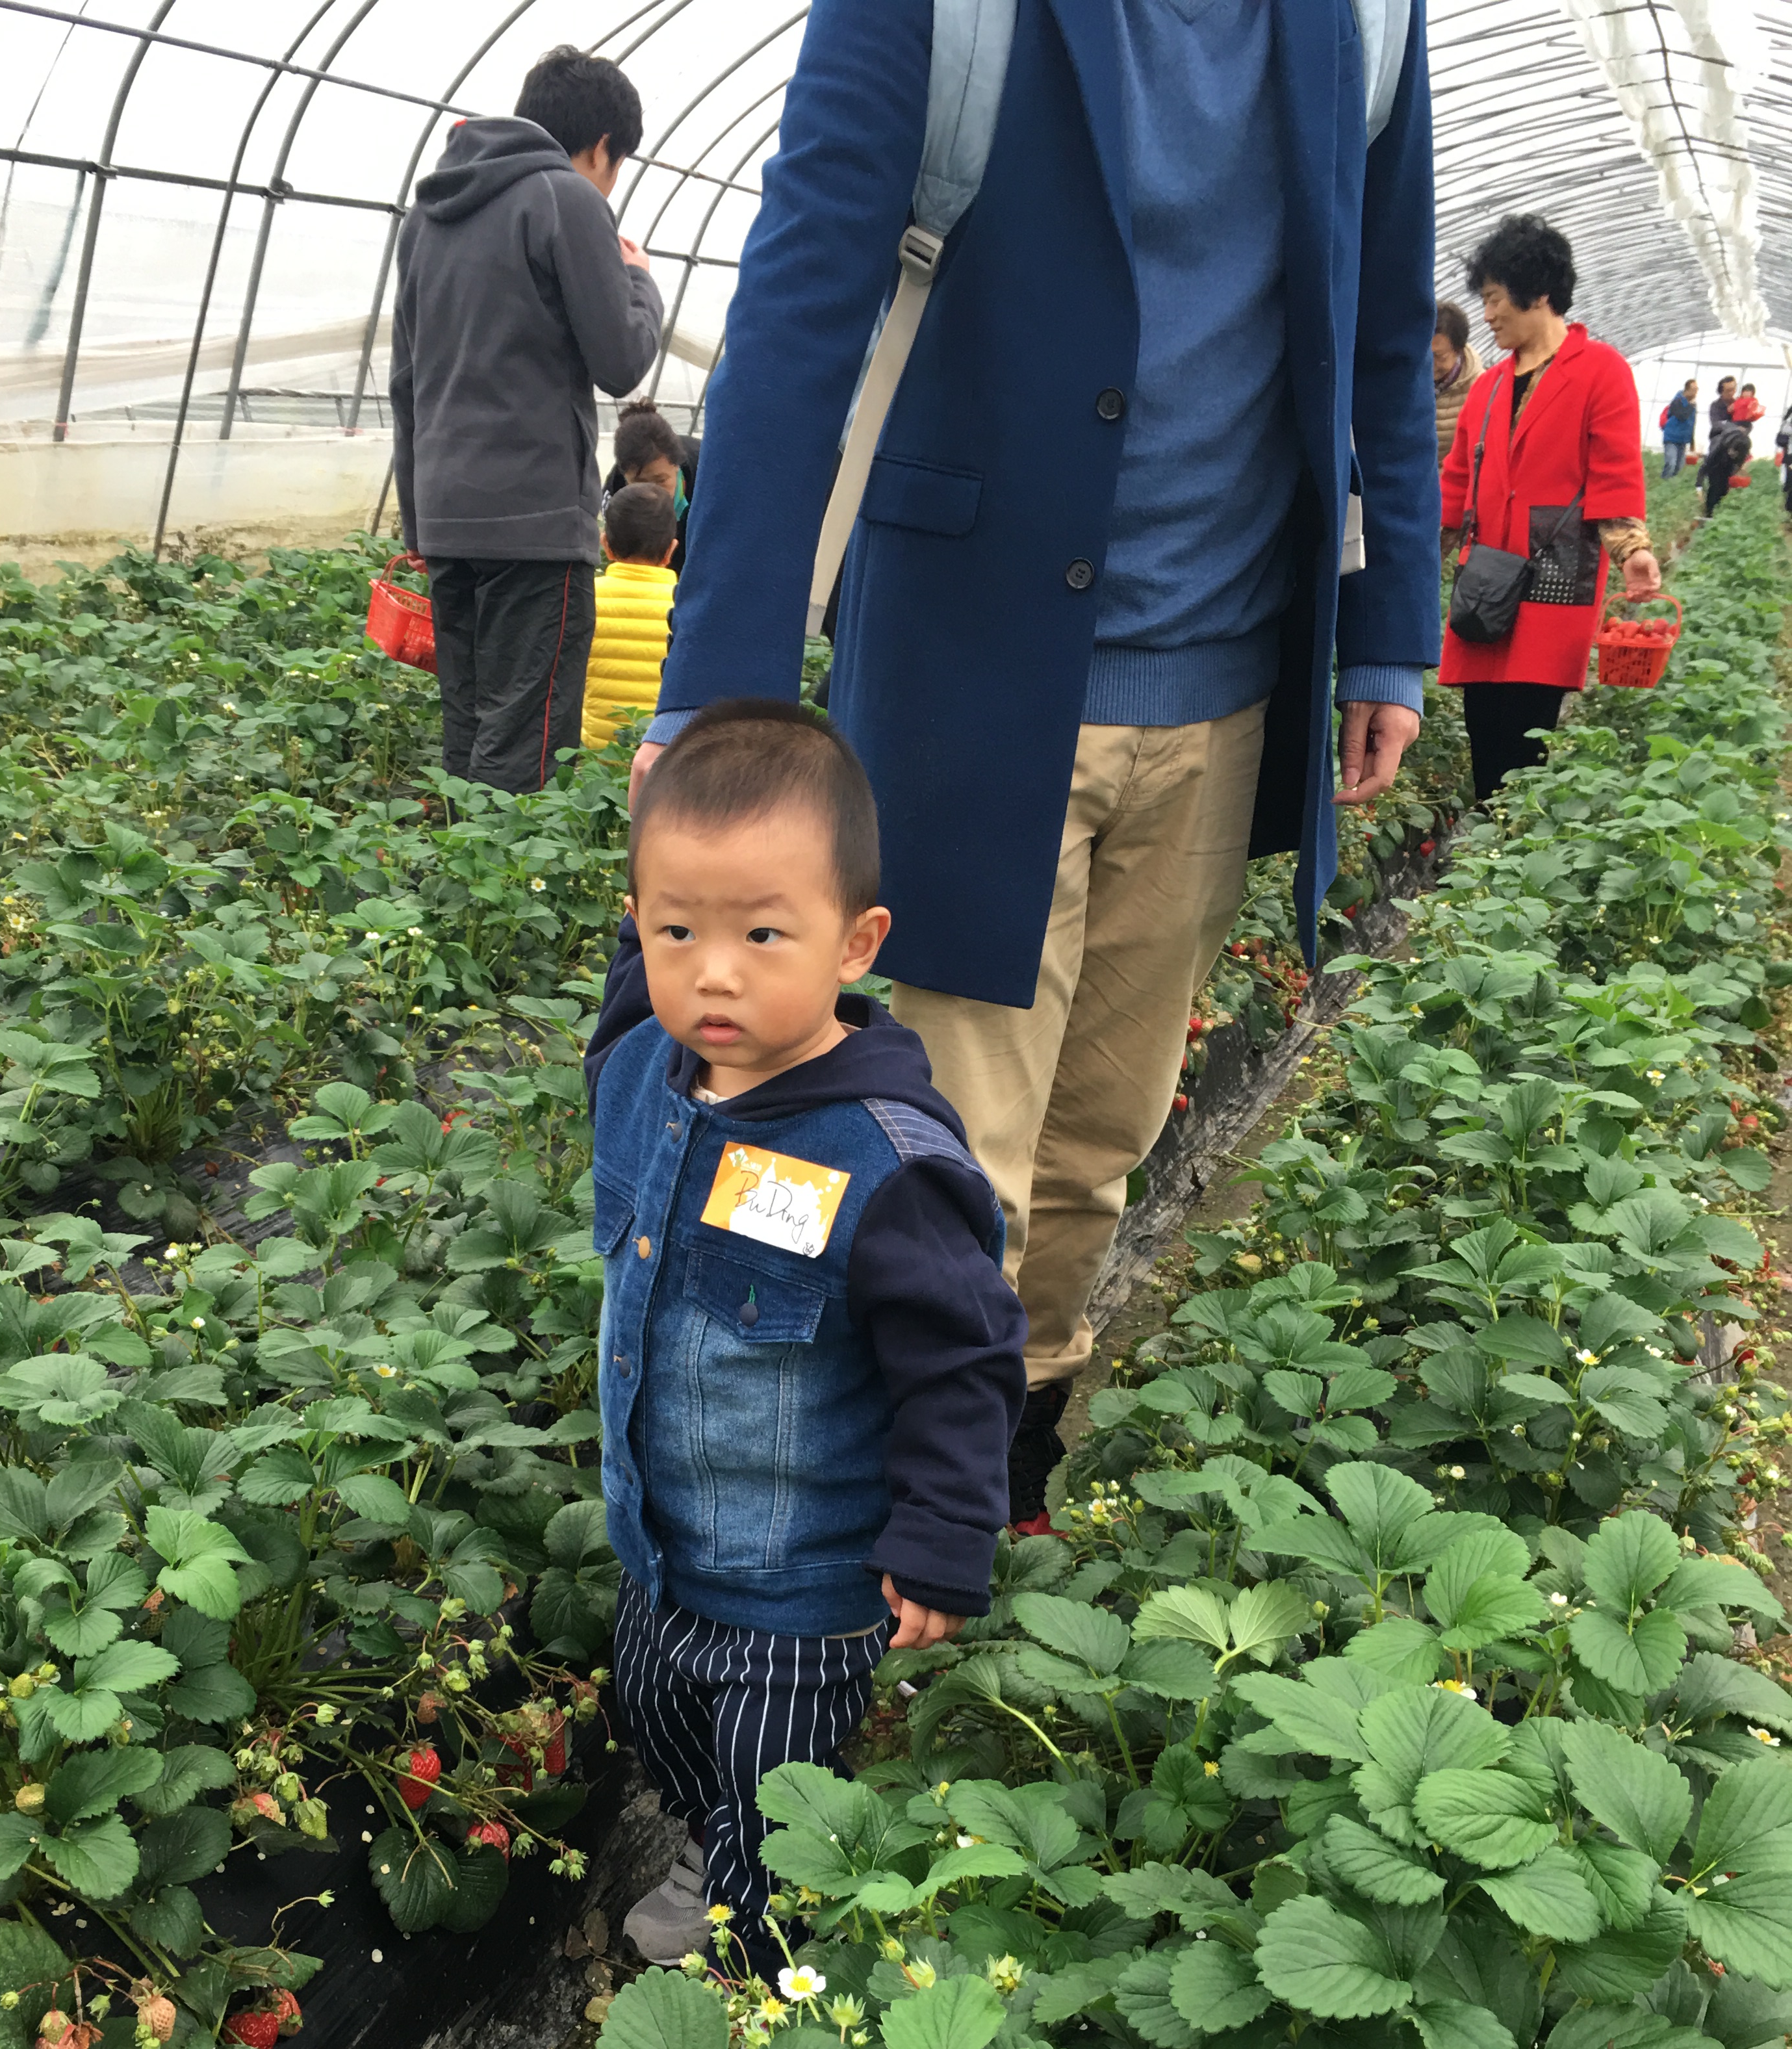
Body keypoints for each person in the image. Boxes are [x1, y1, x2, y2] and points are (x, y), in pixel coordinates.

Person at [619, 0, 1442, 1523]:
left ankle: (1001, 1478)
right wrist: (721, 684)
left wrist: (1384, 630)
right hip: (968, 688)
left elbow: (1384, 337)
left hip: (1226, 686)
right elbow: (808, 301)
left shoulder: (1367, 23)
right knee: (951, 1158)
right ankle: (869, 1542)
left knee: (1098, 1157)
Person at [588, 702, 1025, 1968]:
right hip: (657, 1549)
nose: (713, 971)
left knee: (778, 1792)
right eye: (679, 929)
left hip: (800, 1585)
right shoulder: (638, 1074)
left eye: (762, 934)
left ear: (856, 941)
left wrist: (942, 1537)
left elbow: (965, 1357)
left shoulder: (884, 1166)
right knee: (662, 1723)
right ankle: (709, 1833)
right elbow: (636, 989)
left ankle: (756, 1955)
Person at [390, 47, 663, 793]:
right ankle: (502, 902)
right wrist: (639, 283)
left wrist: (420, 524)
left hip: (448, 519)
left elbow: (407, 380)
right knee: (526, 742)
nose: (608, 183)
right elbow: (621, 359)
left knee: (470, 728)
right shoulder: (565, 199)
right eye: (615, 165)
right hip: (534, 523)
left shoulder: (427, 216)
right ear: (601, 146)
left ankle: (456, 892)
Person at [1439, 214, 1661, 801]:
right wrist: (1420, 553)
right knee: (1484, 728)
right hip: (1487, 578)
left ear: (1537, 293)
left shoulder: (1600, 372)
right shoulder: (1487, 389)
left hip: (1555, 575)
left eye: (1493, 299)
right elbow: (1457, 480)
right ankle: (1491, 845)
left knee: (1528, 734)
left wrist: (1633, 550)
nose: (1487, 316)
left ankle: (1513, 848)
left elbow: (1613, 470)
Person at [581, 482, 680, 749]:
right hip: (661, 752)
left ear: (606, 546)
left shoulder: (587, 597)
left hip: (595, 755)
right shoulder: (685, 603)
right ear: (671, 551)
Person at [601, 399, 699, 571]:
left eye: (661, 481)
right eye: (639, 484)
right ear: (625, 476)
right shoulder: (614, 495)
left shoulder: (705, 471)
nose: (652, 493)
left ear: (677, 466)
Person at [1433, 302, 1482, 460]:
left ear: (1459, 351)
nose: (1429, 365)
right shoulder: (1408, 378)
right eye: (1424, 355)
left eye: (1439, 357)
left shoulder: (1479, 387)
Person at [1701, 415, 1750, 517]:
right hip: (1716, 465)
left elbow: (1740, 462)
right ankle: (1709, 512)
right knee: (1715, 487)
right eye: (1732, 451)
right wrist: (1699, 484)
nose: (1733, 453)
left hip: (1727, 467)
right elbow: (1708, 463)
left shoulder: (1744, 444)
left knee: (1724, 489)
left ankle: (1718, 511)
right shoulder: (1721, 444)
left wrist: (1735, 475)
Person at [1658, 378, 1697, 478]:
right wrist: (1691, 406)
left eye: (1697, 390)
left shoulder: (1692, 405)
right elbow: (1682, 416)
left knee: (1679, 467)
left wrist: (1692, 442)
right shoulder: (1677, 401)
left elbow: (1692, 423)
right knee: (1671, 463)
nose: (1696, 392)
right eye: (1694, 389)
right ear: (1687, 390)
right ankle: (1665, 483)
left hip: (1683, 440)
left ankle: (1672, 487)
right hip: (1672, 438)